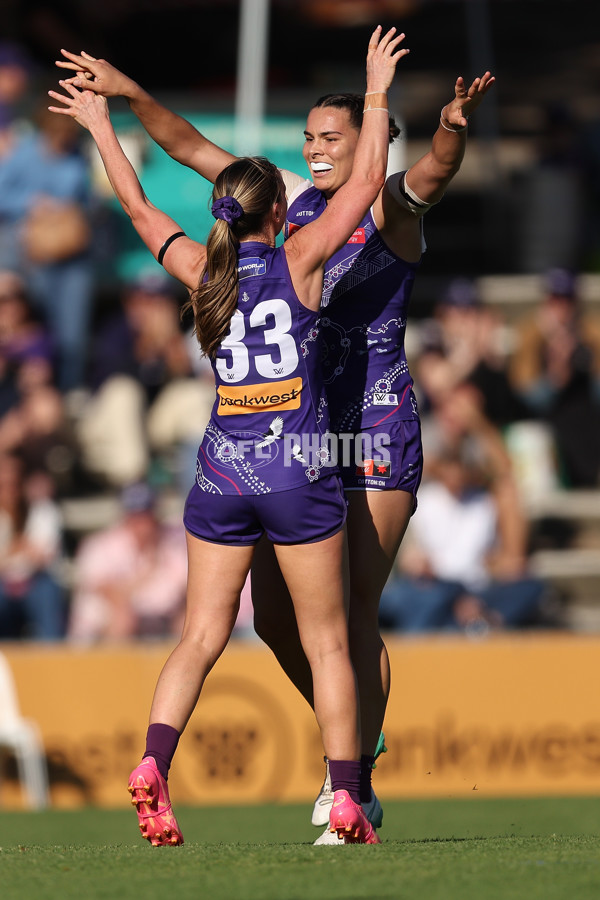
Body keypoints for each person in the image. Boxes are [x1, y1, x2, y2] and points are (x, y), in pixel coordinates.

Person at [55, 36, 495, 844]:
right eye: (309, 140)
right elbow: (187, 148)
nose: (317, 150)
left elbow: (433, 168)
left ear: (367, 139)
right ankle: (352, 738)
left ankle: (349, 782)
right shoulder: (295, 218)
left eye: (331, 138)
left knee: (348, 611)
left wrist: (449, 126)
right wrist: (127, 88)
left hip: (366, 433)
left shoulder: (380, 206)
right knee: (278, 620)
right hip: (300, 442)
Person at [68, 481, 188, 642]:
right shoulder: (100, 546)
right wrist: (146, 576)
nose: (142, 525)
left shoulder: (172, 541)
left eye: (146, 516)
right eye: (135, 517)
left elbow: (185, 588)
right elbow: (111, 594)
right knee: (123, 617)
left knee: (190, 618)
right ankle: (111, 667)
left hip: (158, 621)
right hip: (98, 632)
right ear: (125, 517)